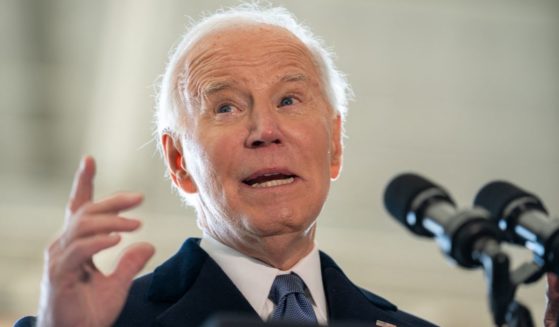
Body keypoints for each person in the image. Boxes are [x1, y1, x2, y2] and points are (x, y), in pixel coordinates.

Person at [13, 4, 558, 327]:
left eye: (290, 101)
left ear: (335, 144)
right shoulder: (100, 321)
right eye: (226, 106)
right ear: (179, 162)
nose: (264, 130)